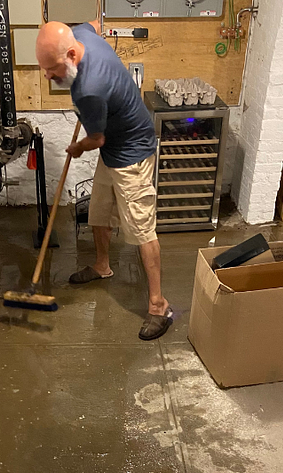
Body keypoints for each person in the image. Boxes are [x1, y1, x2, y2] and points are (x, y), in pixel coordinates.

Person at [35, 20, 172, 340]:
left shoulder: (89, 89)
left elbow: (94, 140)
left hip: (132, 154)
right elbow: (96, 24)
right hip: (113, 147)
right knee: (99, 212)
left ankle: (159, 306)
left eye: (52, 69)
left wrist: (77, 146)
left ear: (71, 54)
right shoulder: (81, 34)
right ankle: (101, 266)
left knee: (141, 230)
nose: (48, 76)